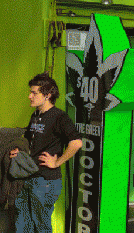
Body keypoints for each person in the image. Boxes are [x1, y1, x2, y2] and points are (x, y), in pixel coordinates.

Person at [9, 73, 82, 233]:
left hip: (46, 181)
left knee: (41, 226)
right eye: (30, 92)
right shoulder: (35, 115)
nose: (29, 96)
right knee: (22, 224)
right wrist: (19, 151)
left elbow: (76, 142)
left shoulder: (60, 117)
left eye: (34, 93)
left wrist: (57, 162)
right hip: (29, 177)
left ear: (47, 95)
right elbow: (28, 141)